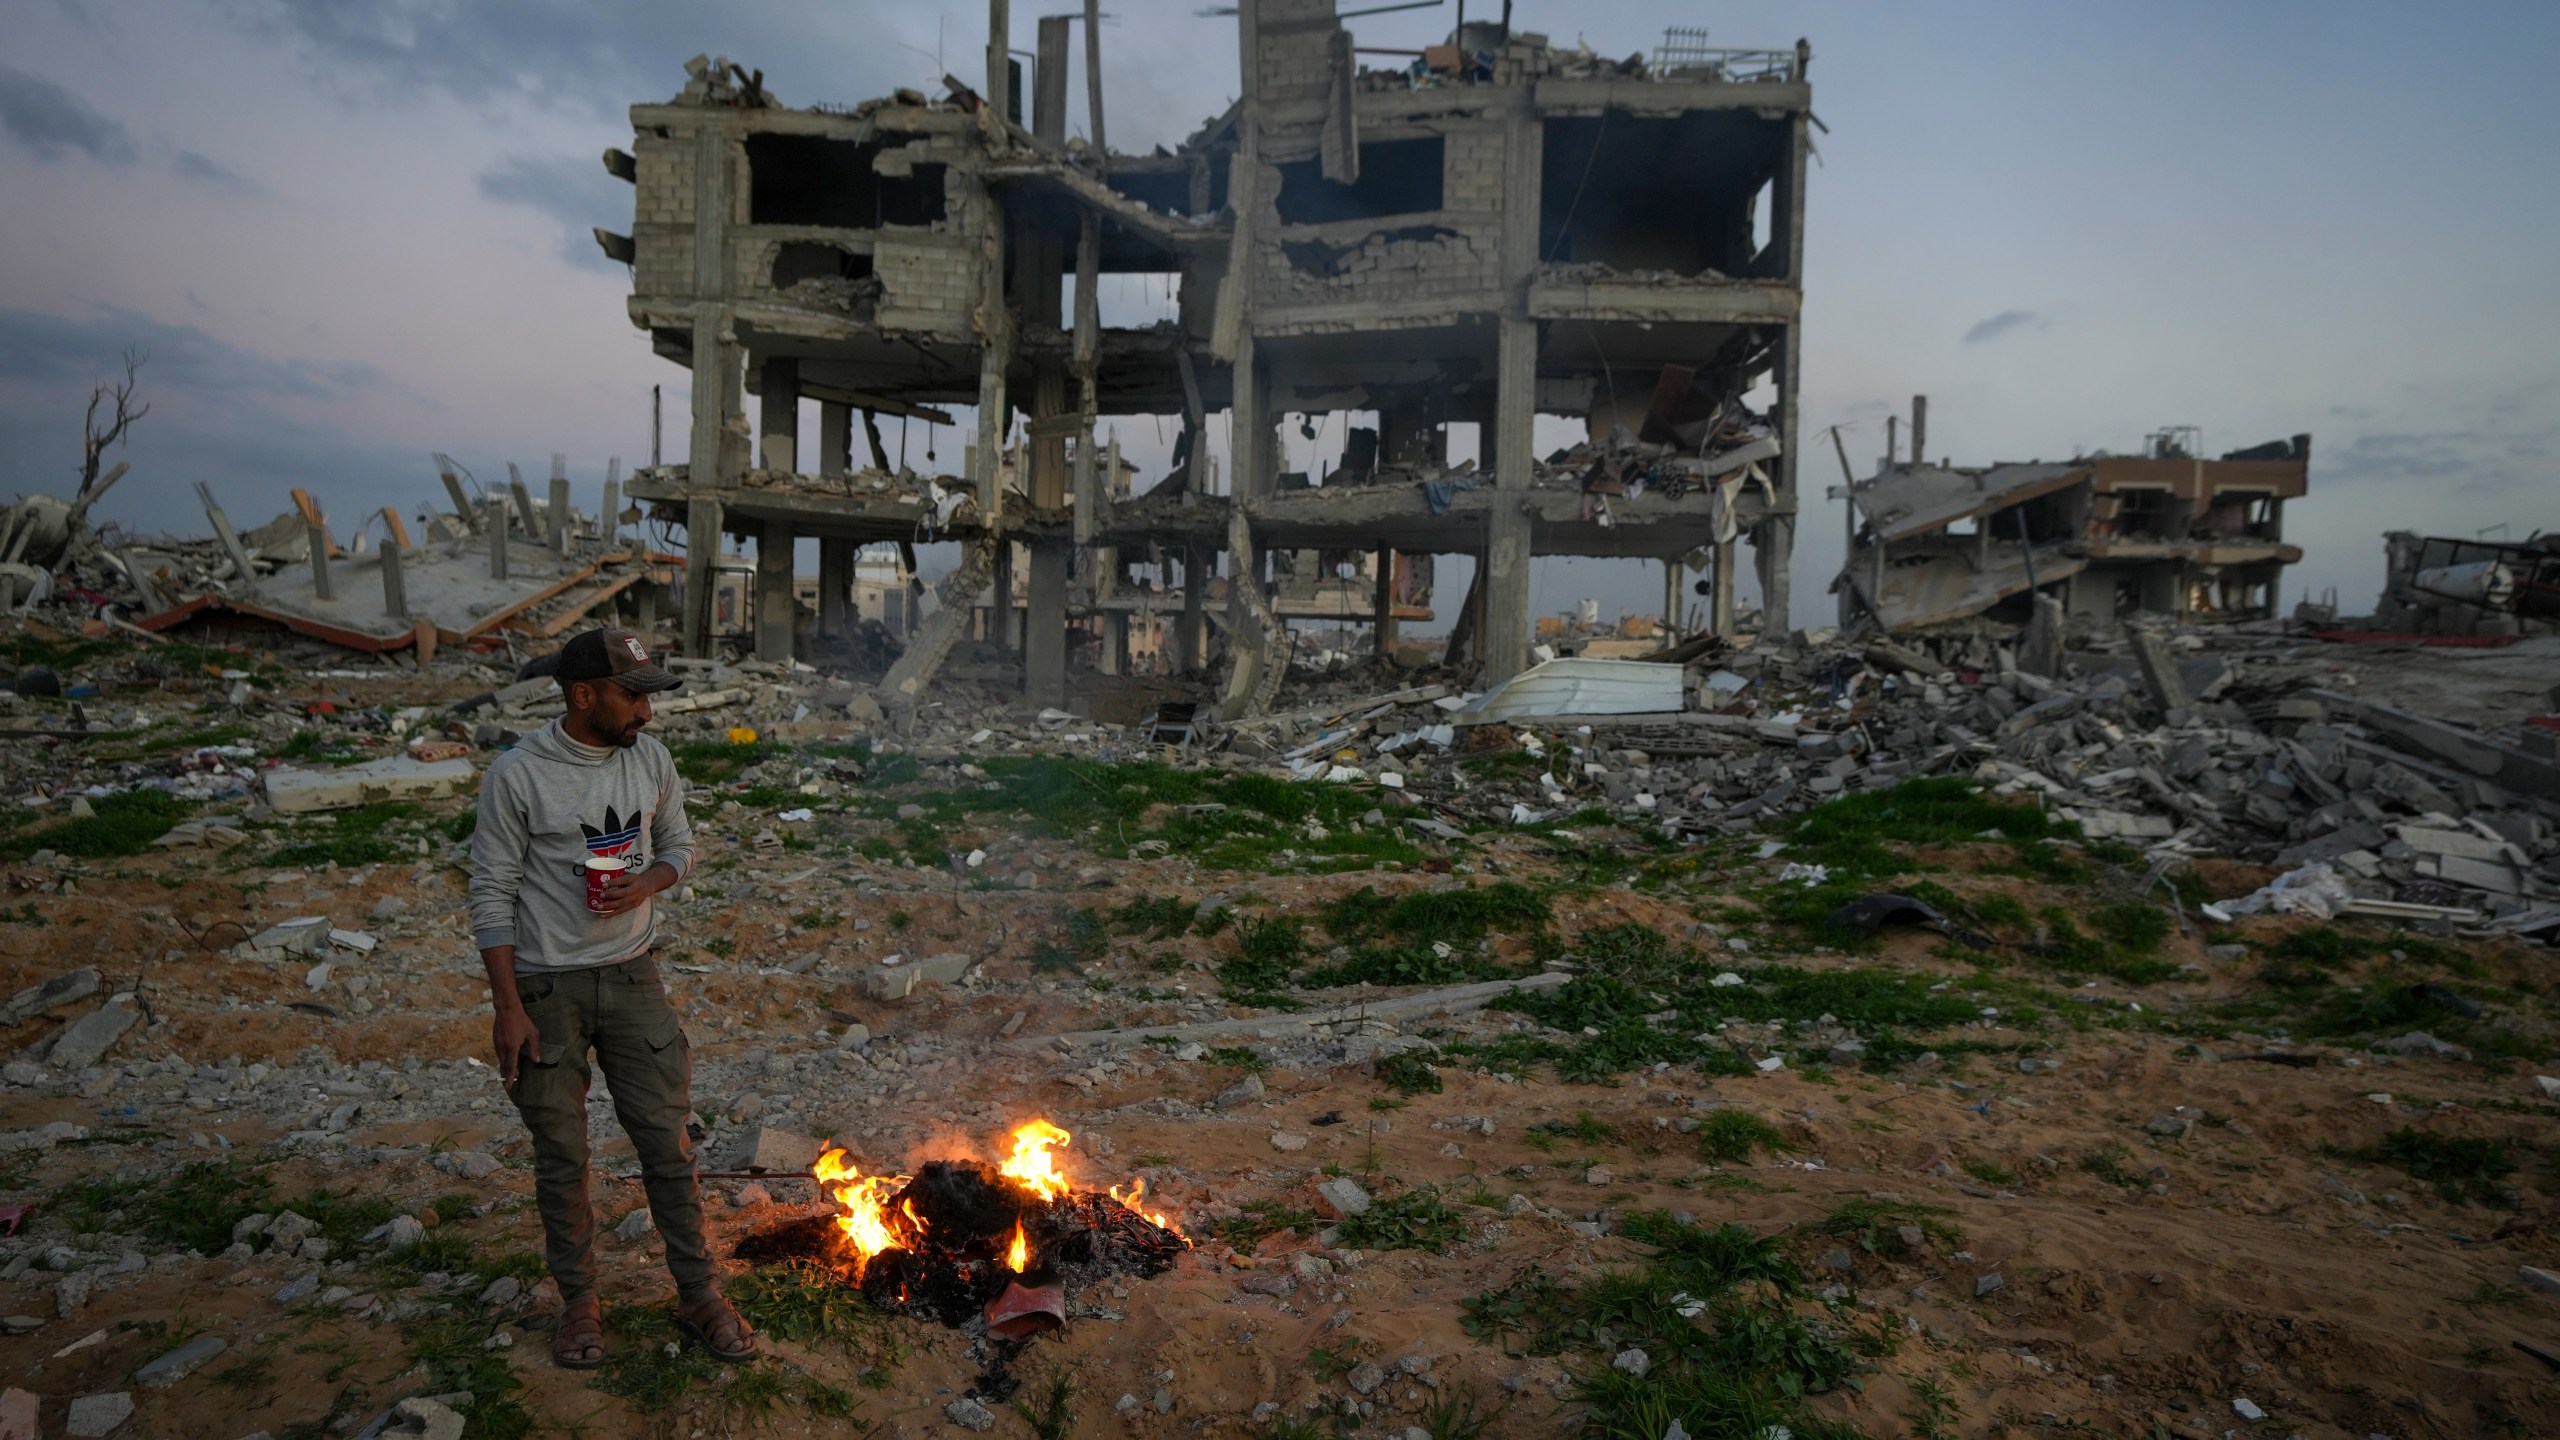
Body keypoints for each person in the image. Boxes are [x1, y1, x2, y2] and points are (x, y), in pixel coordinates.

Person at [467, 627, 756, 1369]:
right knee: (561, 1156)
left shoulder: (650, 760)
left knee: (667, 1145)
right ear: (584, 694)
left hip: (633, 976)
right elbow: (492, 892)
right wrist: (508, 1007)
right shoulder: (518, 775)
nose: (647, 716)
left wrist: (650, 882)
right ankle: (580, 1306)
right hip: (545, 986)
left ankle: (698, 1294)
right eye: (633, 697)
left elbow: (680, 846)